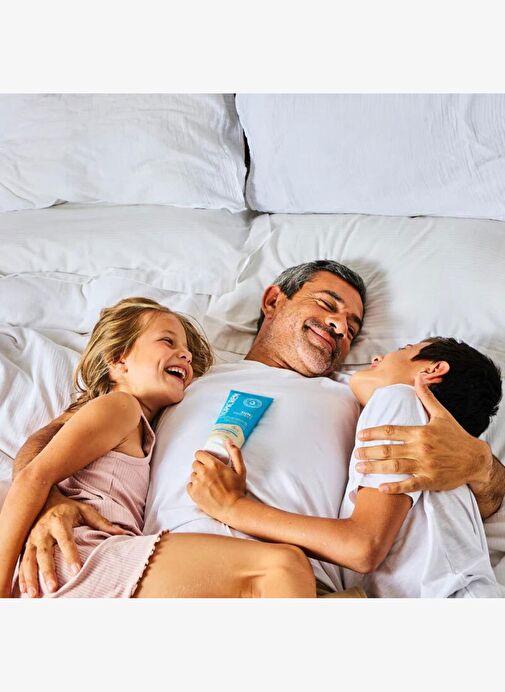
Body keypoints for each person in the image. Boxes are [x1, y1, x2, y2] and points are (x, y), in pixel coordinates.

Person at [11, 261, 505, 596]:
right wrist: (51, 500)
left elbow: (457, 502)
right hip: (168, 571)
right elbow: (57, 436)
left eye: (352, 327)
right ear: (273, 300)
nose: (340, 326)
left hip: (292, 584)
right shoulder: (186, 379)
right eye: (327, 305)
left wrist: (481, 465)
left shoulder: (360, 397)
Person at [0, 297, 316, 598]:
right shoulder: (120, 406)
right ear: (119, 360)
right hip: (82, 555)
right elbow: (32, 477)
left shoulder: (140, 426)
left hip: (90, 560)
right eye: (168, 341)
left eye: (187, 350)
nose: (185, 355)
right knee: (282, 566)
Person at [188, 338, 503, 597]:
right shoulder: (439, 455)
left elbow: (362, 547)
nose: (377, 357)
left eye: (404, 349)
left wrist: (234, 508)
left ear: (433, 369)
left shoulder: (400, 398)